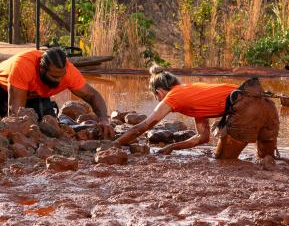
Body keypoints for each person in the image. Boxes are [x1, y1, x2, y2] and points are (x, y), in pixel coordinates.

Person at [115, 66, 279, 159]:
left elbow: (143, 127)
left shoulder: (173, 96)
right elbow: (203, 137)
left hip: (248, 109)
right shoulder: (192, 94)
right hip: (266, 105)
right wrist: (172, 147)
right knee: (267, 160)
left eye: (156, 96)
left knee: (224, 162)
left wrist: (114, 144)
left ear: (159, 92)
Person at [0, 47, 114, 138]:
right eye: (54, 77)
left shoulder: (68, 72)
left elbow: (92, 95)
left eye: (62, 76)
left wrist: (104, 119)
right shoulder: (23, 66)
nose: (59, 80)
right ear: (42, 69)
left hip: (36, 95)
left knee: (49, 126)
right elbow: (15, 113)